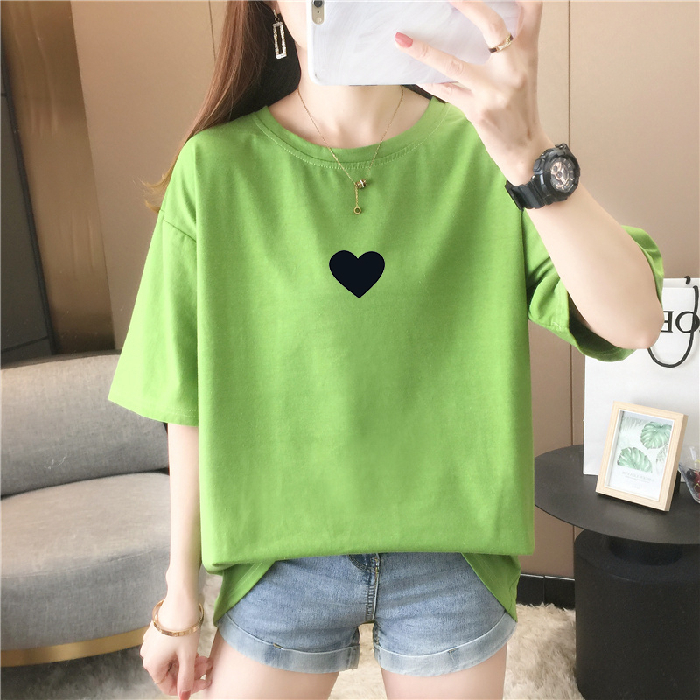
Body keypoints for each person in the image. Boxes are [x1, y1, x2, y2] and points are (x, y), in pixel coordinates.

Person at [108, 1, 665, 699]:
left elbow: (635, 323)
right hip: (276, 554)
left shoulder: (484, 150)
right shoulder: (216, 168)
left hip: (450, 551)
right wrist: (180, 598)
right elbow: (185, 398)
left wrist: (529, 152)